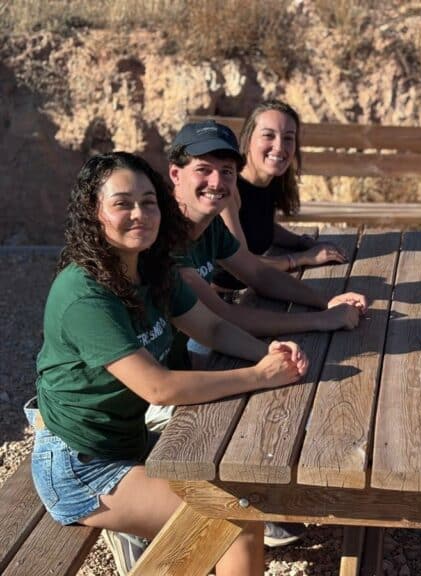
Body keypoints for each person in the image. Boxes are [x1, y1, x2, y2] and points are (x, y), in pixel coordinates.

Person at [28, 152, 308, 576]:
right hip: (80, 465)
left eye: (149, 201)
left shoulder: (151, 269)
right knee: (235, 521)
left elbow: (212, 328)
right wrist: (258, 376)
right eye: (122, 203)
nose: (139, 214)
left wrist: (267, 354)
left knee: (241, 475)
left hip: (130, 441)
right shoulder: (85, 295)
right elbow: (158, 388)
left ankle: (143, 532)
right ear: (94, 212)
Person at [168, 119, 367, 346]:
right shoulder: (164, 237)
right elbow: (224, 317)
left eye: (226, 171)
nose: (216, 182)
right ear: (175, 174)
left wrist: (326, 301)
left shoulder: (210, 223)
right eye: (203, 169)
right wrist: (319, 319)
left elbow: (258, 274)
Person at [212, 99, 347, 292]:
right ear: (248, 139)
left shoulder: (270, 180)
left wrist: (304, 242)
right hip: (222, 299)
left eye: (288, 138)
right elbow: (242, 263)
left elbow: (260, 225)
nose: (279, 147)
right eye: (268, 135)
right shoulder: (228, 189)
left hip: (253, 287)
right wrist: (303, 258)